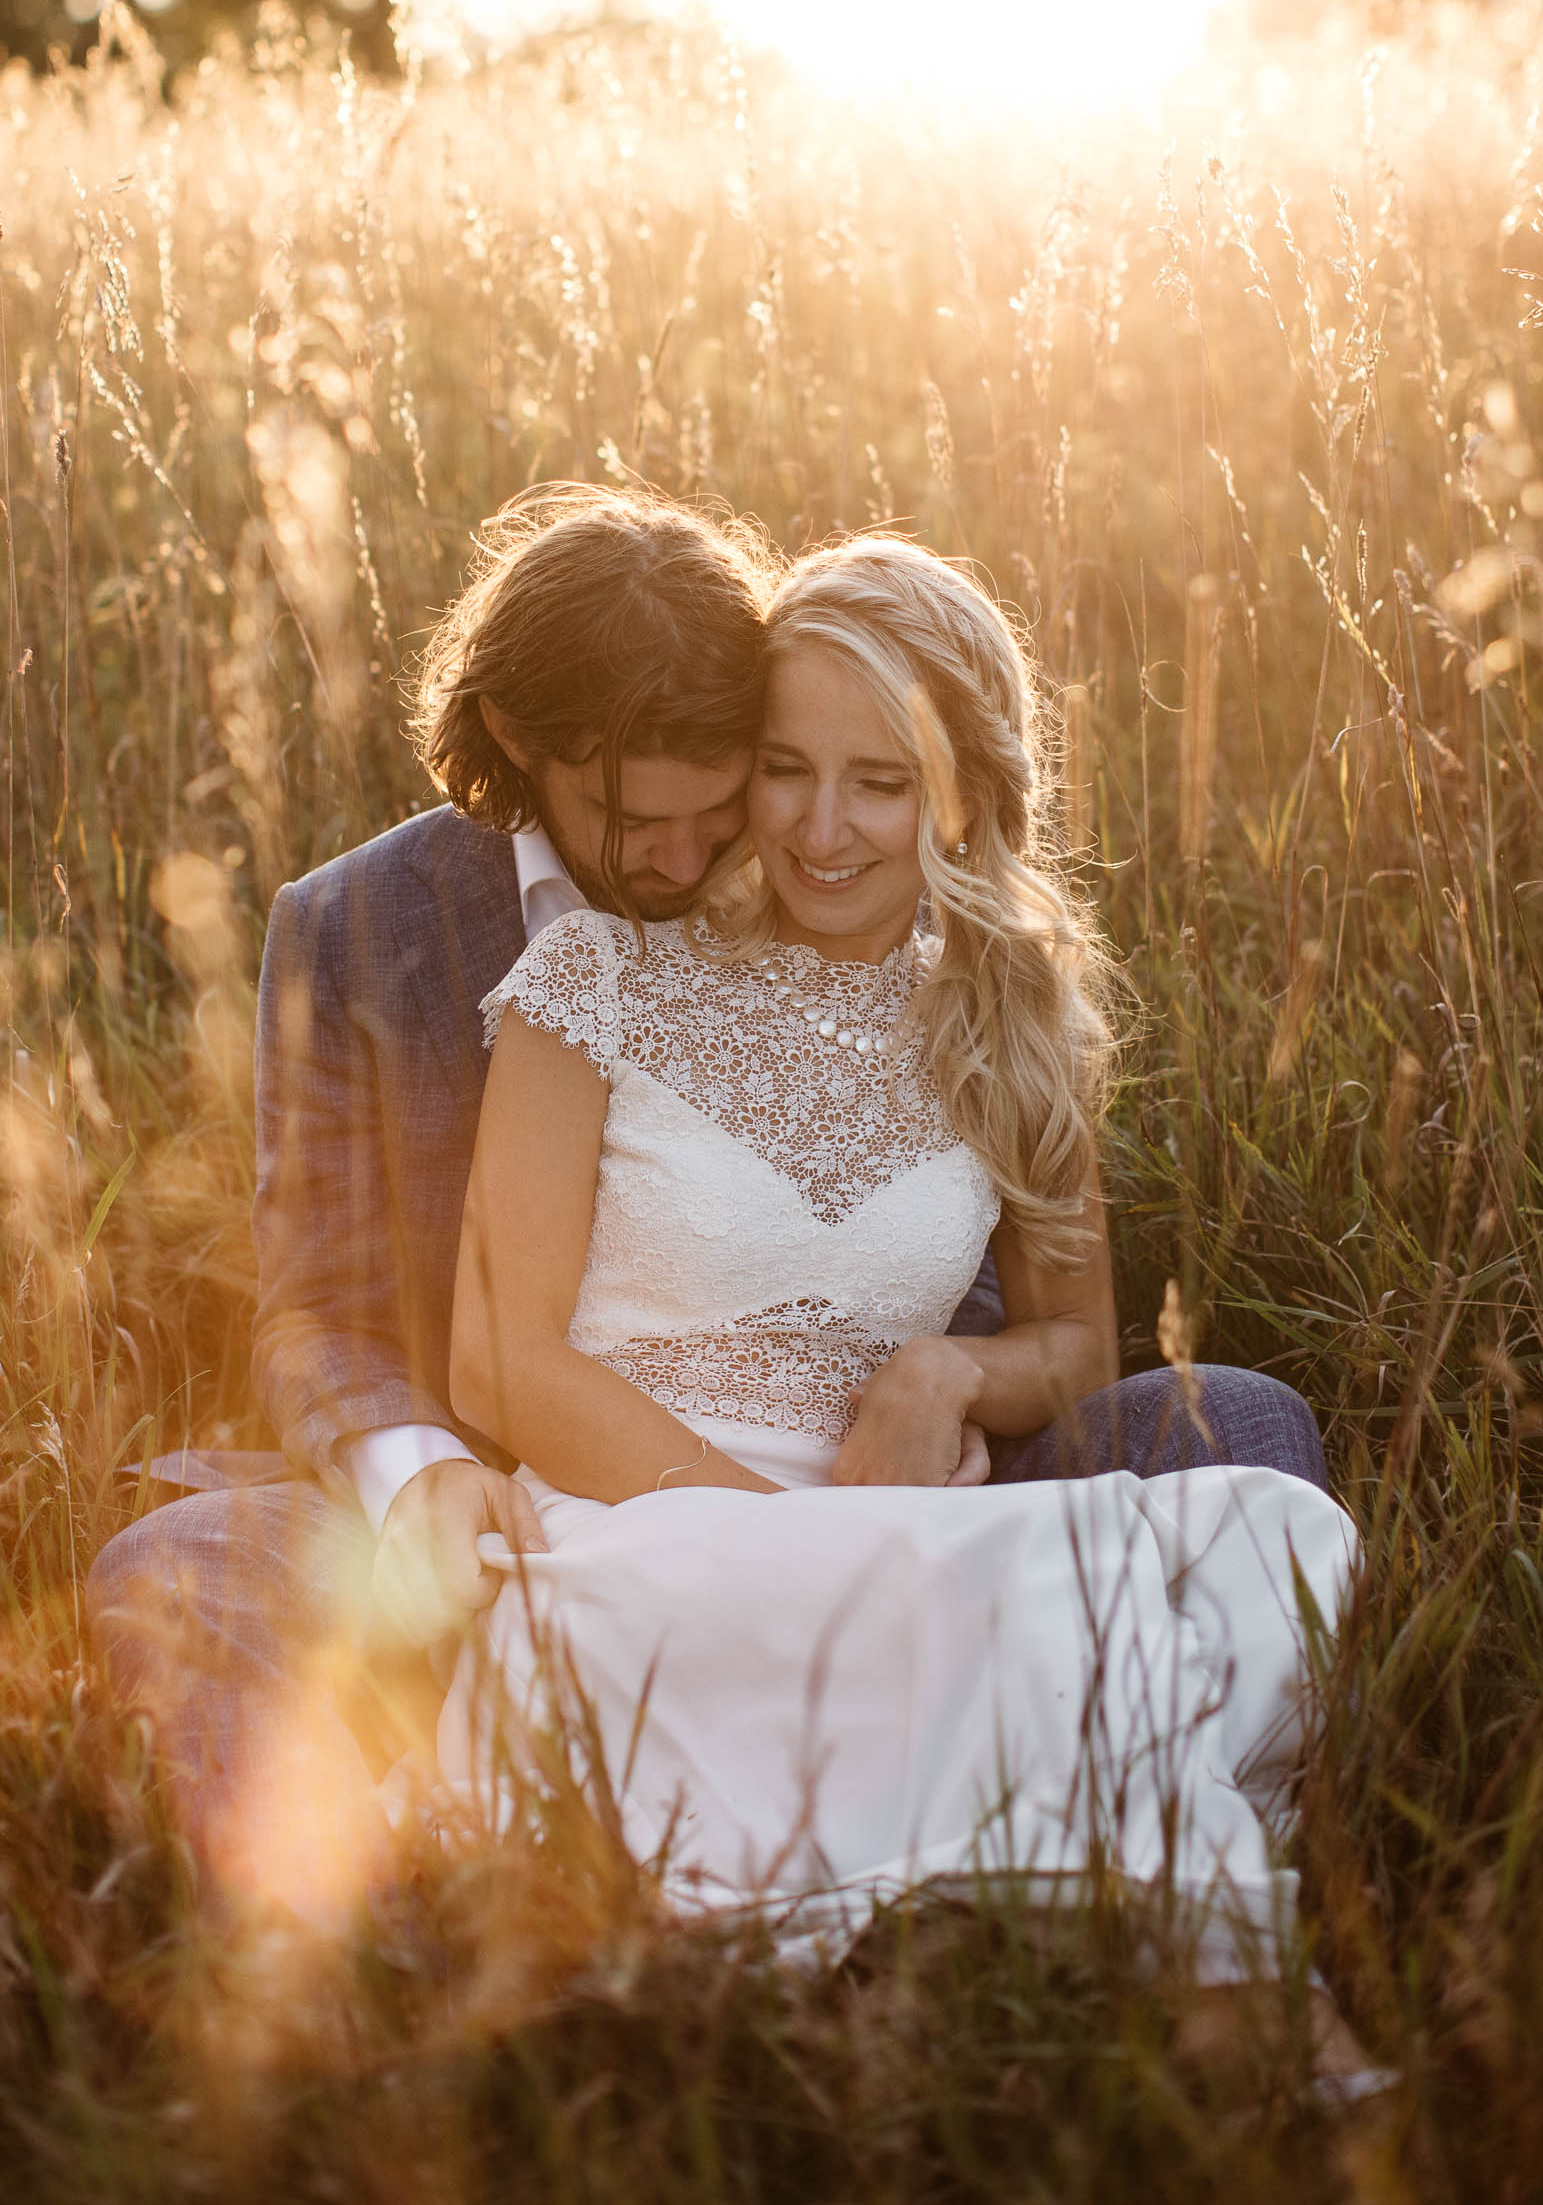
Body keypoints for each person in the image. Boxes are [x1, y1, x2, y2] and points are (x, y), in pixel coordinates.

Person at [86, 487, 1330, 1927]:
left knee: (1239, 1429)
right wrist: (419, 1473)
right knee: (178, 1574)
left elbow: (1037, 1315)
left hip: (897, 1489)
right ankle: (354, 1937)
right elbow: (325, 1307)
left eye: (728, 797)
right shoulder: (367, 932)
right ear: (518, 750)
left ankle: (1011, 1824)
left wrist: (946, 1383)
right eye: (635, 819)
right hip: (539, 1509)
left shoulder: (931, 960)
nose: (686, 865)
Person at [436, 535, 1359, 1984]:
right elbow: (501, 1360)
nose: (822, 828)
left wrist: (947, 1374)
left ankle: (1075, 1933)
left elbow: (1077, 1342)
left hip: (905, 1525)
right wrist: (796, 1548)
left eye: (881, 781)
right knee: (1007, 1657)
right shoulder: (596, 978)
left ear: (964, 792)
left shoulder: (1014, 1022)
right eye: (785, 768)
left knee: (1280, 1535)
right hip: (648, 1528)